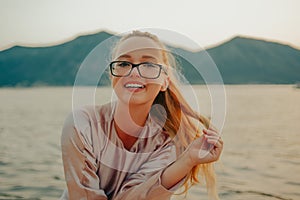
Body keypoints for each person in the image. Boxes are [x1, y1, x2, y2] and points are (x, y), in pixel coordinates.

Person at [60, 30, 223, 200]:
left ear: (164, 81)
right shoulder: (83, 124)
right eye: (123, 64)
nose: (134, 72)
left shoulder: (168, 142)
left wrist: (187, 160)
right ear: (112, 75)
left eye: (149, 65)